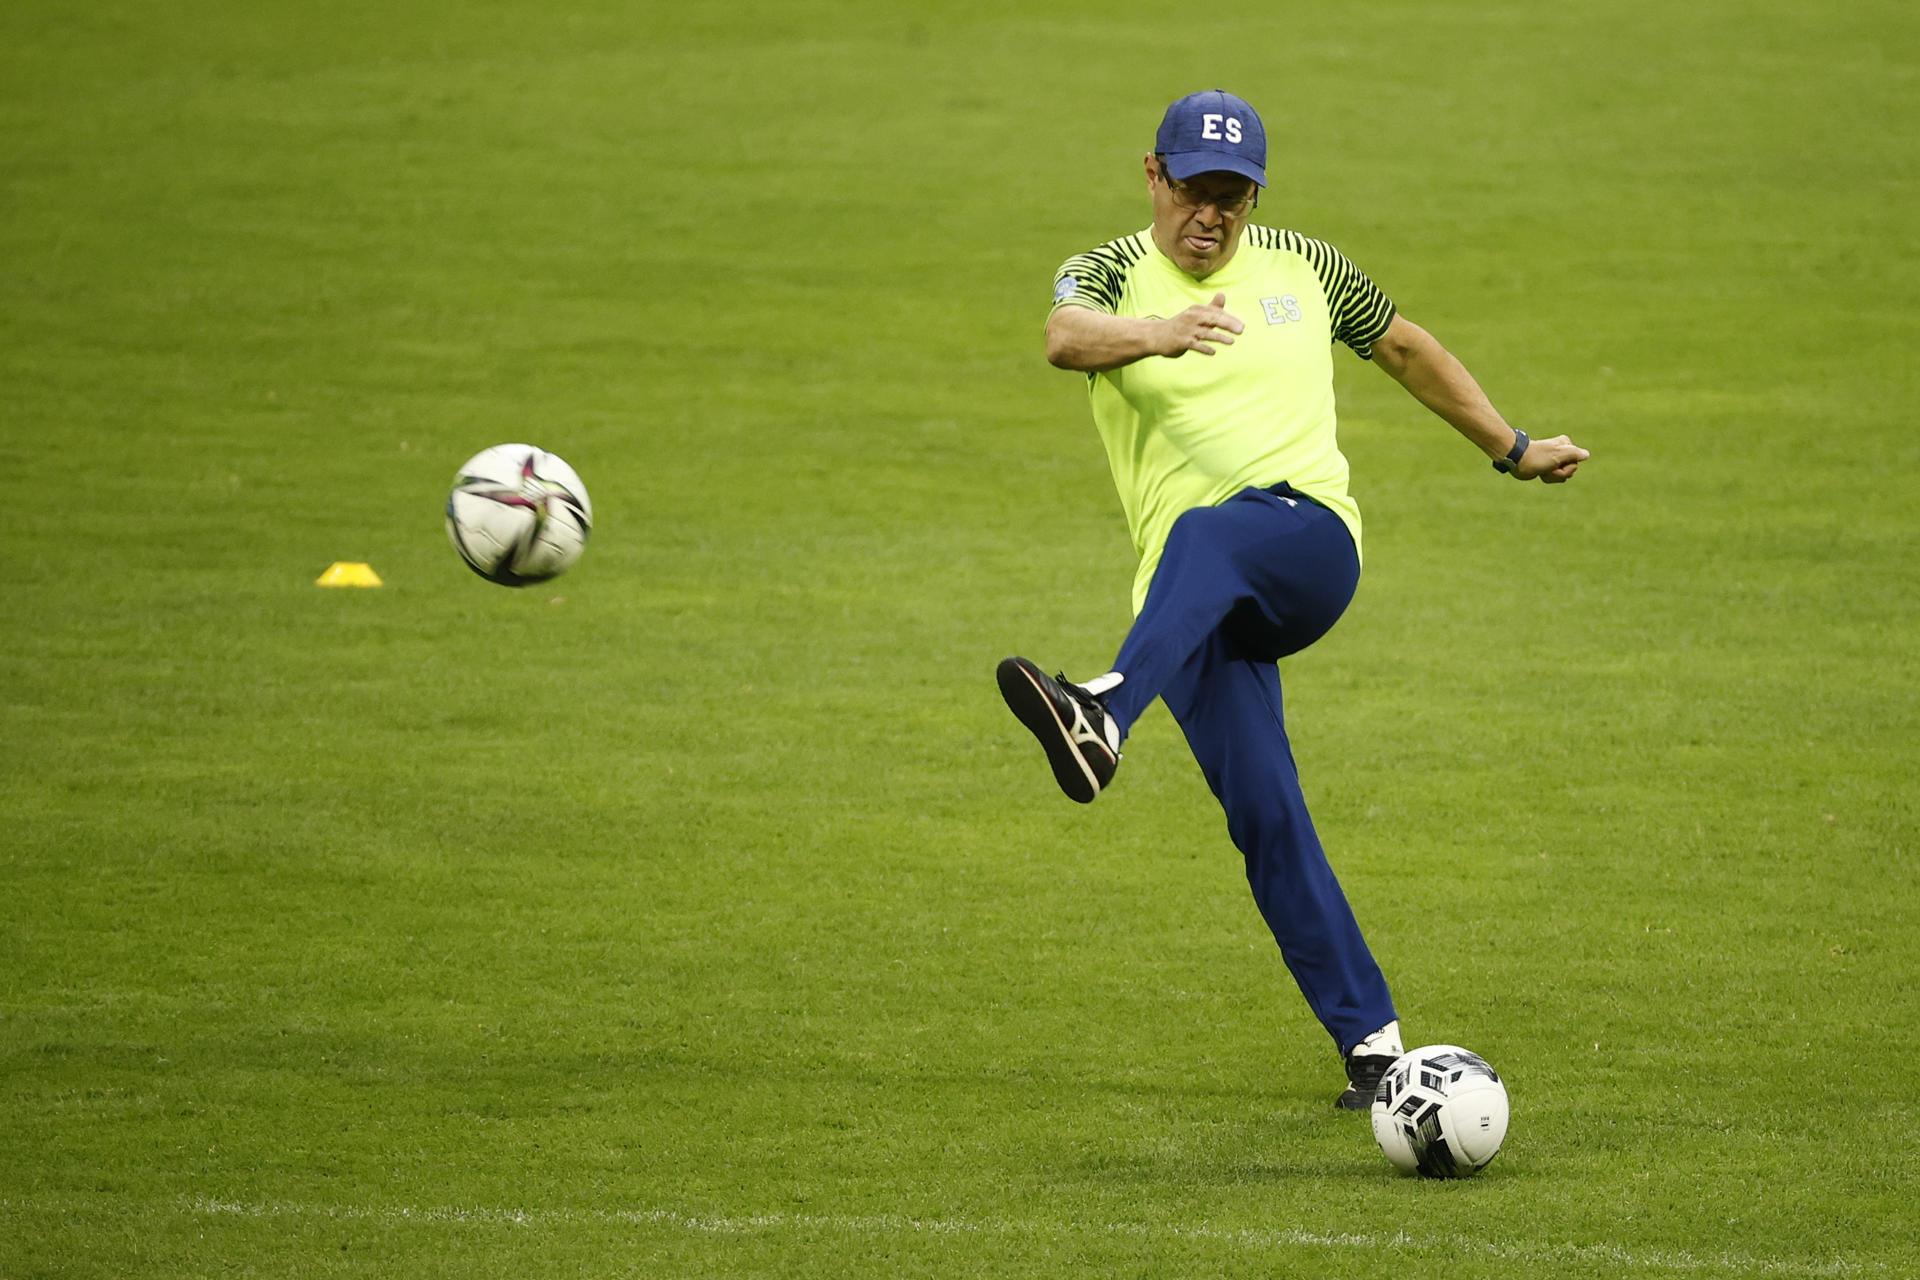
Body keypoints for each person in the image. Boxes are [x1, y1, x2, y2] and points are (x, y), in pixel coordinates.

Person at [996, 88, 1589, 1109]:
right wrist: (1160, 331)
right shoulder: (1106, 274)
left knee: (1208, 527)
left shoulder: (1309, 267)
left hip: (1307, 544)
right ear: (1154, 176)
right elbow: (1062, 335)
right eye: (1192, 190)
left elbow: (1405, 345)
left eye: (1232, 196)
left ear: (1256, 194)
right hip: (1185, 609)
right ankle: (1375, 1045)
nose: (1210, 215)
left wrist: (1515, 448)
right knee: (1264, 810)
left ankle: (1100, 715)